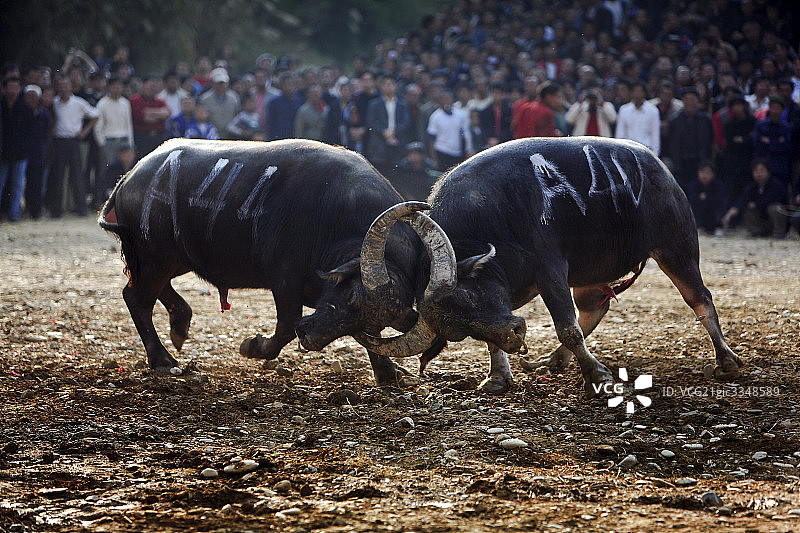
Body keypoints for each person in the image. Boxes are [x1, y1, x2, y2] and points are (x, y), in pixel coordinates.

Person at [47, 74, 98, 217]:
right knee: (58, 176)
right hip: (58, 142)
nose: (63, 88)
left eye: (66, 85)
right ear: (57, 87)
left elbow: (95, 115)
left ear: (71, 86)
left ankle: (81, 208)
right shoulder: (54, 102)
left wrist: (84, 132)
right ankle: (56, 210)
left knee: (77, 176)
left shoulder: (78, 102)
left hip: (73, 141)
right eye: (61, 85)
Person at [721, 159, 788, 238]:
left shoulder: (776, 185)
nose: (759, 174)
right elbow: (741, 201)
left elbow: (771, 199)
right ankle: (757, 232)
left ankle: (779, 233)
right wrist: (728, 215)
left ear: (768, 172)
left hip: (774, 219)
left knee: (775, 208)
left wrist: (756, 204)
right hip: (761, 220)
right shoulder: (752, 187)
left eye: (761, 171)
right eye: (756, 171)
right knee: (746, 208)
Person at [666, 87, 714, 190]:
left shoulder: (705, 119)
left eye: (692, 99)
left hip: (700, 161)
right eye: (686, 99)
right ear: (682, 101)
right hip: (681, 162)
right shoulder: (675, 120)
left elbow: (710, 140)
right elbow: (671, 143)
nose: (689, 102)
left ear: (697, 101)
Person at [0, 76, 33, 222]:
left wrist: (24, 148)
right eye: (10, 87)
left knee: (17, 186)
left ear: (20, 89)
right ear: (4, 88)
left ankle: (14, 215)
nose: (12, 90)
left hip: (20, 154)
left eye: (15, 87)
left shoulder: (25, 108)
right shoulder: (1, 106)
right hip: (2, 154)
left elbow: (29, 132)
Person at [366, 74, 410, 176]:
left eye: (391, 84)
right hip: (379, 143)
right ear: (381, 87)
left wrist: (393, 132)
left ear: (395, 86)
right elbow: (371, 122)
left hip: (397, 142)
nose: (388, 86)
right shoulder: (374, 104)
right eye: (385, 84)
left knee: (397, 175)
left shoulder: (403, 104)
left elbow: (406, 122)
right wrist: (384, 132)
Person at [94, 76, 133, 173]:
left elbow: (129, 124)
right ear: (108, 88)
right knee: (109, 170)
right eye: (114, 86)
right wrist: (102, 143)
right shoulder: (102, 104)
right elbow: (98, 126)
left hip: (124, 140)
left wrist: (130, 142)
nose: (117, 89)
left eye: (119, 86)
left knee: (126, 170)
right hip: (109, 141)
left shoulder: (125, 103)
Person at [24, 84, 51, 219]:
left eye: (33, 97)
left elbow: (47, 135)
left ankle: (36, 211)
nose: (30, 100)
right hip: (23, 152)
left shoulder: (44, 114)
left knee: (37, 184)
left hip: (39, 152)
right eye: (28, 97)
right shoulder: (22, 112)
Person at [427, 89, 472, 171]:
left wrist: (467, 150)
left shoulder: (459, 115)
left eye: (449, 98)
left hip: (457, 153)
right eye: (444, 99)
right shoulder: (435, 116)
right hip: (442, 152)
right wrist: (434, 158)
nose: (447, 101)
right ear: (440, 101)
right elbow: (431, 139)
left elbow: (464, 135)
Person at [721, 95, 756, 202]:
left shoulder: (753, 122)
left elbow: (753, 141)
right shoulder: (729, 124)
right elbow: (730, 144)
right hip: (733, 164)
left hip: (749, 162)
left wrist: (741, 140)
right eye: (734, 106)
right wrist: (746, 138)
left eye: (739, 105)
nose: (736, 108)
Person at [753, 96, 792, 188]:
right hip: (763, 164)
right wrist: (777, 142)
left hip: (780, 167)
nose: (775, 111)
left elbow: (786, 147)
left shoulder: (786, 128)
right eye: (773, 108)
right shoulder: (761, 125)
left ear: (782, 110)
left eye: (778, 108)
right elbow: (757, 144)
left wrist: (768, 141)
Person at [615, 80, 660, 155]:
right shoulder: (624, 110)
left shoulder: (653, 110)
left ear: (644, 93)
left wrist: (655, 155)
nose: (637, 94)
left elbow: (655, 135)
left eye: (640, 91)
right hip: (628, 151)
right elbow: (620, 134)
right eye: (635, 91)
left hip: (646, 151)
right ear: (631, 93)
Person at [130, 74, 170, 157]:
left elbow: (167, 113)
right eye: (151, 85)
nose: (153, 88)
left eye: (155, 86)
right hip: (142, 138)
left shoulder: (160, 101)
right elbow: (142, 117)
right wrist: (159, 115)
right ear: (143, 85)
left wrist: (149, 111)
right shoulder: (134, 100)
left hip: (158, 137)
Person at [686, 161, 727, 235]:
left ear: (713, 174)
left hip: (713, 214)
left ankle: (718, 227)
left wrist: (707, 197)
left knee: (718, 207)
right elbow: (691, 199)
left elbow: (720, 200)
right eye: (702, 172)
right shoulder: (694, 185)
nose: (704, 175)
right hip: (700, 214)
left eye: (707, 173)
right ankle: (699, 227)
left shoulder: (719, 185)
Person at [198, 68, 240, 139]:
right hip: (211, 138)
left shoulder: (234, 98)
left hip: (231, 137)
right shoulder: (204, 99)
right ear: (212, 83)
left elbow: (238, 116)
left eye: (223, 82)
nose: (221, 85)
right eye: (218, 83)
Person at [479, 83, 512, 147]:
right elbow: (483, 129)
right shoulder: (484, 112)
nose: (496, 95)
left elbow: (510, 129)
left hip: (506, 144)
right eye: (494, 93)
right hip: (489, 144)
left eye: (498, 93)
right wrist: (490, 140)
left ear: (503, 94)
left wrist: (498, 139)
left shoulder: (510, 111)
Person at [267, 73, 297, 141]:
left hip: (295, 138)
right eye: (286, 84)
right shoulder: (274, 102)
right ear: (281, 86)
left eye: (291, 83)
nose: (289, 86)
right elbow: (271, 124)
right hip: (279, 138)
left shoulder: (299, 100)